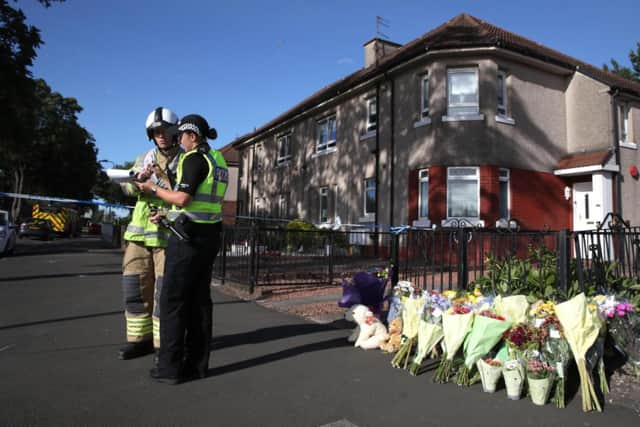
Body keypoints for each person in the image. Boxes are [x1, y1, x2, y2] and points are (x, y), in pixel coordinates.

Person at [136, 114, 228, 384]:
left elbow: (184, 197)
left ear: (193, 136)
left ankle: (169, 368)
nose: (178, 140)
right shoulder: (218, 160)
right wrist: (166, 214)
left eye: (181, 136)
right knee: (200, 304)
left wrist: (152, 188)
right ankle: (198, 366)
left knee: (173, 302)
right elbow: (199, 204)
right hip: (208, 236)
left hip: (187, 241)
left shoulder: (193, 158)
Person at [118, 107, 181, 362]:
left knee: (164, 294)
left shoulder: (184, 159)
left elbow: (184, 194)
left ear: (175, 132)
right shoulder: (144, 157)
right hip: (139, 237)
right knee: (134, 289)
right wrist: (136, 179)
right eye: (156, 132)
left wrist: (156, 182)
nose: (161, 135)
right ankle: (138, 341)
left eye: (165, 130)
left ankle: (162, 345)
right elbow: (126, 188)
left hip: (167, 236)